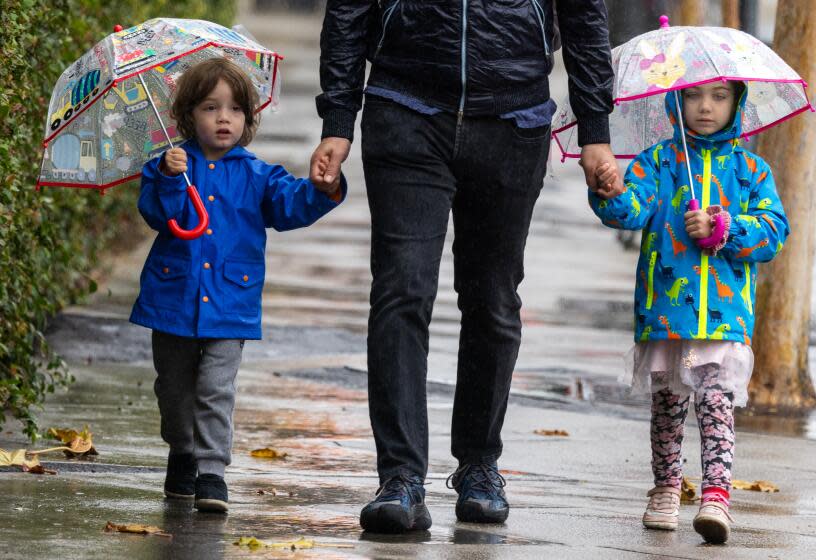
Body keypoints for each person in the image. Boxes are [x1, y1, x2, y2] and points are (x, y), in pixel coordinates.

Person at [310, 1, 621, 533]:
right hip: (404, 105)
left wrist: (595, 131)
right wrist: (339, 118)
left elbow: (583, 12)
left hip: (513, 118)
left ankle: (479, 466)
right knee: (401, 289)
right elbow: (349, 8)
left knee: (493, 301)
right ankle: (401, 478)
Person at [129, 58, 345, 513]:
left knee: (215, 389)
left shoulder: (256, 175)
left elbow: (290, 206)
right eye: (210, 108)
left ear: (248, 118)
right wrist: (170, 178)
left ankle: (211, 472)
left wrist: (322, 189)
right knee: (173, 389)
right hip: (172, 301)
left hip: (230, 303)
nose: (223, 118)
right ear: (189, 116)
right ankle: (181, 451)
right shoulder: (168, 167)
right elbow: (157, 214)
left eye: (234, 109)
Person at [590, 80, 789, 544]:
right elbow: (629, 211)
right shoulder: (659, 162)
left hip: (723, 315)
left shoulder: (750, 171)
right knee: (668, 405)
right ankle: (665, 489)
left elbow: (773, 231)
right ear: (675, 101)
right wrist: (611, 190)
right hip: (666, 313)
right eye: (694, 96)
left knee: (716, 402)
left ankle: (717, 496)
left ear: (737, 103)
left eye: (720, 97)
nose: (706, 107)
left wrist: (724, 227)